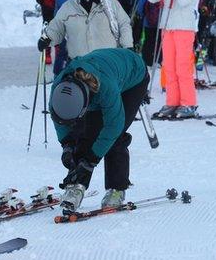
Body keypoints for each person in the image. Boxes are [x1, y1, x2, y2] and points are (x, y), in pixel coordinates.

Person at [49, 48, 150, 213]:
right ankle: (76, 184)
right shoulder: (60, 87)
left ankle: (116, 189)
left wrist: (91, 160)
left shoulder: (106, 89)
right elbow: (60, 119)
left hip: (133, 76)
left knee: (113, 137)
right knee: (85, 133)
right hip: (106, 72)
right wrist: (67, 144)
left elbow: (113, 127)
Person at [38, 0, 133, 61]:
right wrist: (47, 38)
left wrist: (127, 46)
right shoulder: (67, 8)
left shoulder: (110, 3)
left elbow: (124, 25)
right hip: (80, 67)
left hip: (108, 64)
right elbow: (56, 29)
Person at [147, 0, 201, 118]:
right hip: (167, 27)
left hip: (184, 27)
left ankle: (188, 103)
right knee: (169, 67)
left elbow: (185, 2)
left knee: (182, 67)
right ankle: (172, 102)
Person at [137, 0, 165, 66]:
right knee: (160, 41)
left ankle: (147, 60)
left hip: (148, 21)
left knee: (148, 40)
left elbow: (141, 4)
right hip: (161, 20)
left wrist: (140, 14)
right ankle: (160, 59)